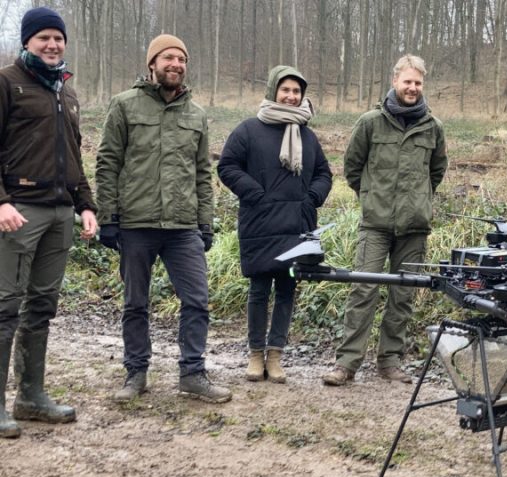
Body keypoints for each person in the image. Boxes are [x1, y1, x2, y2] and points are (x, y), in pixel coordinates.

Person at [95, 34, 231, 404]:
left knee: (197, 301)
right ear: (152, 63)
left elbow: (203, 174)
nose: (175, 64)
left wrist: (206, 222)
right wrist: (108, 216)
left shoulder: (196, 115)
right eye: (167, 57)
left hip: (182, 227)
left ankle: (192, 374)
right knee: (135, 303)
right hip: (136, 224)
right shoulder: (124, 106)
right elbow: (108, 162)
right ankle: (136, 373)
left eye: (181, 59)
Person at [0, 7, 98, 439]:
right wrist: (1, 201)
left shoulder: (66, 91)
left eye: (58, 38)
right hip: (18, 210)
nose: (52, 45)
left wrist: (86, 204)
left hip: (60, 212)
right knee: (5, 307)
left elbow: (75, 156)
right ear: (27, 42)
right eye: (43, 38)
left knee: (41, 305)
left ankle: (31, 397)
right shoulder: (7, 82)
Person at [322, 54, 448, 386]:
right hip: (375, 224)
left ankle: (390, 361)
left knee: (403, 294)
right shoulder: (370, 122)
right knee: (363, 289)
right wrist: (372, 197)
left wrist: (417, 200)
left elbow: (436, 172)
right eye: (407, 81)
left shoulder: (433, 128)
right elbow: (352, 167)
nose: (412, 88)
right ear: (394, 82)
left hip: (415, 227)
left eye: (418, 83)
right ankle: (347, 362)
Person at [217, 66, 331, 384]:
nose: (292, 96)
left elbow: (324, 173)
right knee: (258, 289)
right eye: (286, 90)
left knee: (286, 290)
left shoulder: (307, 136)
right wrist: (255, 193)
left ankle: (276, 354)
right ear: (273, 91)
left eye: (297, 92)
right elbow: (227, 166)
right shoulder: (249, 130)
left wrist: (311, 198)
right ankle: (255, 354)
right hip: (260, 221)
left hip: (297, 223)